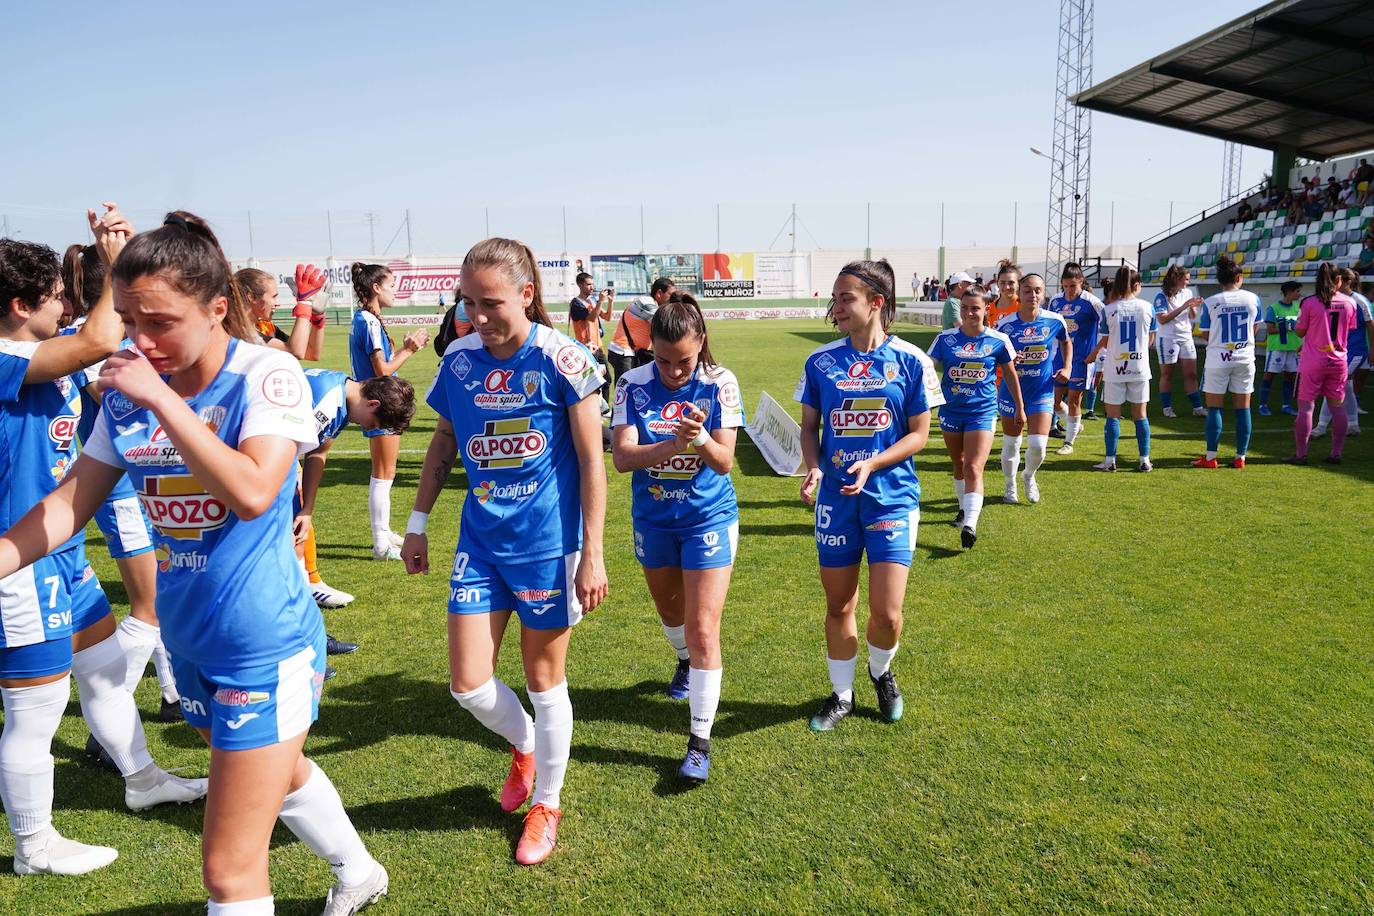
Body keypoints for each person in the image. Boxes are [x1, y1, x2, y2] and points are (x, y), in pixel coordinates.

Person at [0, 209, 209, 878]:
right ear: (18, 305)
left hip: (61, 556)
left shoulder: (34, 353)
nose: (66, 300)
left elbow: (94, 344)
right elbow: (94, 339)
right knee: (35, 712)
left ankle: (143, 778)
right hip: (21, 559)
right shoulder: (6, 356)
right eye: (56, 293)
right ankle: (34, 846)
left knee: (103, 672)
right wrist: (111, 261)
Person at [401, 237, 607, 866]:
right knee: (468, 683)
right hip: (480, 544)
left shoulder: (564, 360)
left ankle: (547, 802)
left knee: (546, 680)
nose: (478, 317)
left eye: (491, 304)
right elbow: (442, 441)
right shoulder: (459, 359)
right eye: (469, 303)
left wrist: (593, 551)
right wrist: (416, 521)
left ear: (526, 295)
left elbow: (594, 463)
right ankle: (525, 746)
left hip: (549, 548)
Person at [796, 259, 939, 732]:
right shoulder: (820, 362)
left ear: (876, 302)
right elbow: (810, 428)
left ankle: (880, 672)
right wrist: (815, 467)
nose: (835, 307)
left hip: (892, 498)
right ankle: (841, 694)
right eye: (835, 298)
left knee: (888, 613)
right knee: (839, 606)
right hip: (837, 501)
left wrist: (874, 463)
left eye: (845, 298)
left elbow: (919, 434)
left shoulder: (912, 361)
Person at [611, 294, 742, 781]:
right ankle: (684, 662)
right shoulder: (631, 383)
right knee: (672, 615)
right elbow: (622, 458)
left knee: (704, 627)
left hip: (708, 517)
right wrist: (673, 444)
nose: (673, 371)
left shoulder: (720, 383)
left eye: (683, 360)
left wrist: (703, 439)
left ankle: (700, 743)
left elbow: (726, 462)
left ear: (701, 343)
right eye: (663, 360)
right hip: (654, 519)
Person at [58, 242, 181, 729]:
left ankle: (172, 693)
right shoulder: (86, 341)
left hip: (140, 483)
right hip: (115, 489)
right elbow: (109, 395)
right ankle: (107, 720)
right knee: (148, 607)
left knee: (162, 596)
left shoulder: (106, 339)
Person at [295, 368, 417, 664]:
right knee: (284, 559)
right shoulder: (326, 400)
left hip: (278, 472)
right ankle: (301, 646)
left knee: (295, 549)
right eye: (373, 425)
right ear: (373, 404)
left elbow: (317, 454)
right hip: (259, 475)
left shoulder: (342, 393)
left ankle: (306, 640)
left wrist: (306, 509)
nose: (367, 429)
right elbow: (280, 451)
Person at [928, 287, 1022, 547]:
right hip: (950, 412)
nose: (970, 313)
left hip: (982, 411)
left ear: (985, 309)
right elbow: (926, 369)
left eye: (976, 308)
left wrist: (1019, 407)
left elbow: (1011, 375)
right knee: (958, 464)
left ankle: (970, 523)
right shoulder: (944, 339)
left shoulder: (998, 340)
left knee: (973, 467)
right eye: (966, 308)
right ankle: (962, 508)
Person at [348, 262, 429, 561]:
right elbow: (381, 370)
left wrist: (404, 348)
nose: (396, 290)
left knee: (386, 473)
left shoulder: (367, 319)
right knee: (383, 474)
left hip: (377, 399)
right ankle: (380, 543)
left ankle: (383, 531)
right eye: (391, 284)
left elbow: (379, 366)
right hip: (378, 402)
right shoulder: (368, 320)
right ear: (376, 288)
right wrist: (410, 350)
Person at [995, 273, 1069, 503]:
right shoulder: (1005, 324)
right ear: (1020, 292)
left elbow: (1066, 341)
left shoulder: (1055, 320)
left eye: (1037, 290)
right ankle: (1010, 485)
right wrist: (1007, 361)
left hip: (1042, 391)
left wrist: (1066, 367)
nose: (1033, 295)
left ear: (1043, 292)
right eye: (1027, 290)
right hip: (1011, 391)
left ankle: (1029, 476)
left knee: (1038, 446)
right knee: (1012, 443)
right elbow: (995, 355)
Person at [1191, 256, 1262, 469]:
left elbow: (1205, 333)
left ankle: (1211, 457)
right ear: (1238, 277)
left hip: (1218, 359)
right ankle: (1241, 457)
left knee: (1214, 408)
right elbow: (1255, 328)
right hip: (1245, 358)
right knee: (1243, 408)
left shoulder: (1212, 302)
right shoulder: (1253, 298)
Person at [1085, 267, 1156, 472]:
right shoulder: (1147, 307)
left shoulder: (1109, 310)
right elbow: (1151, 340)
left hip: (1115, 368)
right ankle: (1144, 459)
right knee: (1140, 416)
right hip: (1140, 368)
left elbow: (1106, 341)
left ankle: (1110, 461)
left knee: (1113, 416)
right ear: (1136, 286)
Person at [1288, 263, 1359, 464]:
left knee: (1306, 407)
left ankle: (1301, 454)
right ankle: (1336, 453)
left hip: (1313, 362)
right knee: (1338, 407)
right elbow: (1348, 329)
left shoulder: (1309, 302)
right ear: (1339, 280)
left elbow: (1300, 331)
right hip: (1338, 362)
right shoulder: (1349, 303)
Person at [1047, 262, 1105, 454]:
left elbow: (1109, 327)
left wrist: (1096, 352)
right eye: (1065, 286)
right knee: (1053, 402)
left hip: (1082, 359)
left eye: (1073, 286)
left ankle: (1068, 443)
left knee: (1074, 401)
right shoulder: (1055, 301)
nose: (1069, 290)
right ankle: (1073, 424)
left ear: (1081, 282)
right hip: (1059, 358)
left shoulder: (1092, 302)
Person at [1312, 268, 1372, 438]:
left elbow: (1370, 325)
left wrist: (1373, 349)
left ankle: (1321, 426)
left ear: (1346, 282)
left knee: (1333, 384)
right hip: (1342, 351)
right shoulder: (1335, 300)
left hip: (1355, 351)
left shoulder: (1359, 301)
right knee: (1347, 386)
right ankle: (1354, 425)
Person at [234, 265, 325, 361]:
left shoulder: (266, 327)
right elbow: (295, 352)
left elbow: (311, 353)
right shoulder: (238, 332)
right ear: (251, 297)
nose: (277, 304)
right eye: (273, 297)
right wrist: (305, 304)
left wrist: (317, 317)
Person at [1152, 265, 1205, 418]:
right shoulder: (1161, 296)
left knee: (1191, 374)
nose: (1187, 283)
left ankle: (1197, 408)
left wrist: (1193, 307)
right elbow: (1162, 319)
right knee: (1167, 374)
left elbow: (1192, 316)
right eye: (1186, 279)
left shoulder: (1187, 292)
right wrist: (1184, 306)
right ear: (1177, 279)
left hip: (1186, 336)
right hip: (1168, 338)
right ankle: (1167, 408)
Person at [1258, 281, 1303, 416]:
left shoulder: (1298, 309)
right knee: (1269, 376)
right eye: (1297, 291)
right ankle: (1263, 405)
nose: (1299, 294)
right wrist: (1287, 327)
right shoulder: (1273, 308)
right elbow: (1270, 330)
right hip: (1277, 348)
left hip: (1293, 348)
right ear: (1289, 292)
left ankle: (1286, 405)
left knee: (1290, 377)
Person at [569, 271, 613, 407]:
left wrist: (610, 302)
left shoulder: (593, 301)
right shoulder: (576, 303)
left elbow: (607, 317)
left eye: (592, 284)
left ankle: (604, 409)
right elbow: (592, 317)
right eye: (588, 284)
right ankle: (589, 408)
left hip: (598, 347)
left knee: (607, 380)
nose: (592, 287)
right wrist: (600, 301)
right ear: (580, 285)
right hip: (586, 348)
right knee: (590, 382)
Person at [986, 260, 1020, 329]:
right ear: (997, 283)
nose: (1007, 287)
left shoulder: (1023, 307)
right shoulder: (990, 309)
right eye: (1003, 283)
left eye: (1011, 283)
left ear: (1018, 284)